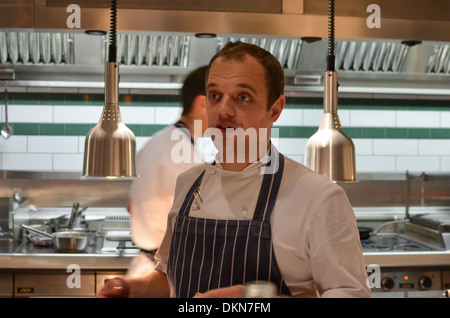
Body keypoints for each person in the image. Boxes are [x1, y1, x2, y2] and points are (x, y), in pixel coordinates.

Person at [98, 41, 373, 298]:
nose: (223, 110)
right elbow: (169, 278)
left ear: (275, 109)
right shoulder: (189, 183)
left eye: (243, 97)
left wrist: (257, 299)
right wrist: (131, 287)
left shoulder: (319, 198)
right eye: (215, 95)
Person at [125, 66, 209, 278]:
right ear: (202, 103)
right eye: (217, 98)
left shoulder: (156, 141)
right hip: (164, 275)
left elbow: (130, 205)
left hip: (144, 268)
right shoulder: (187, 158)